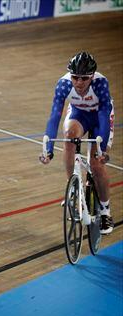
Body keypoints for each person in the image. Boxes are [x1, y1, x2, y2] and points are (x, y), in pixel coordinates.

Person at [40, 51, 115, 234]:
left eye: (84, 78)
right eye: (75, 77)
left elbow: (104, 115)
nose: (79, 83)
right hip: (79, 115)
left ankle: (105, 212)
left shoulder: (100, 84)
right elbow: (55, 116)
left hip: (99, 117)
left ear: (92, 76)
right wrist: (48, 150)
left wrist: (101, 149)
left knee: (96, 164)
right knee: (69, 137)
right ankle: (73, 188)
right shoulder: (64, 84)